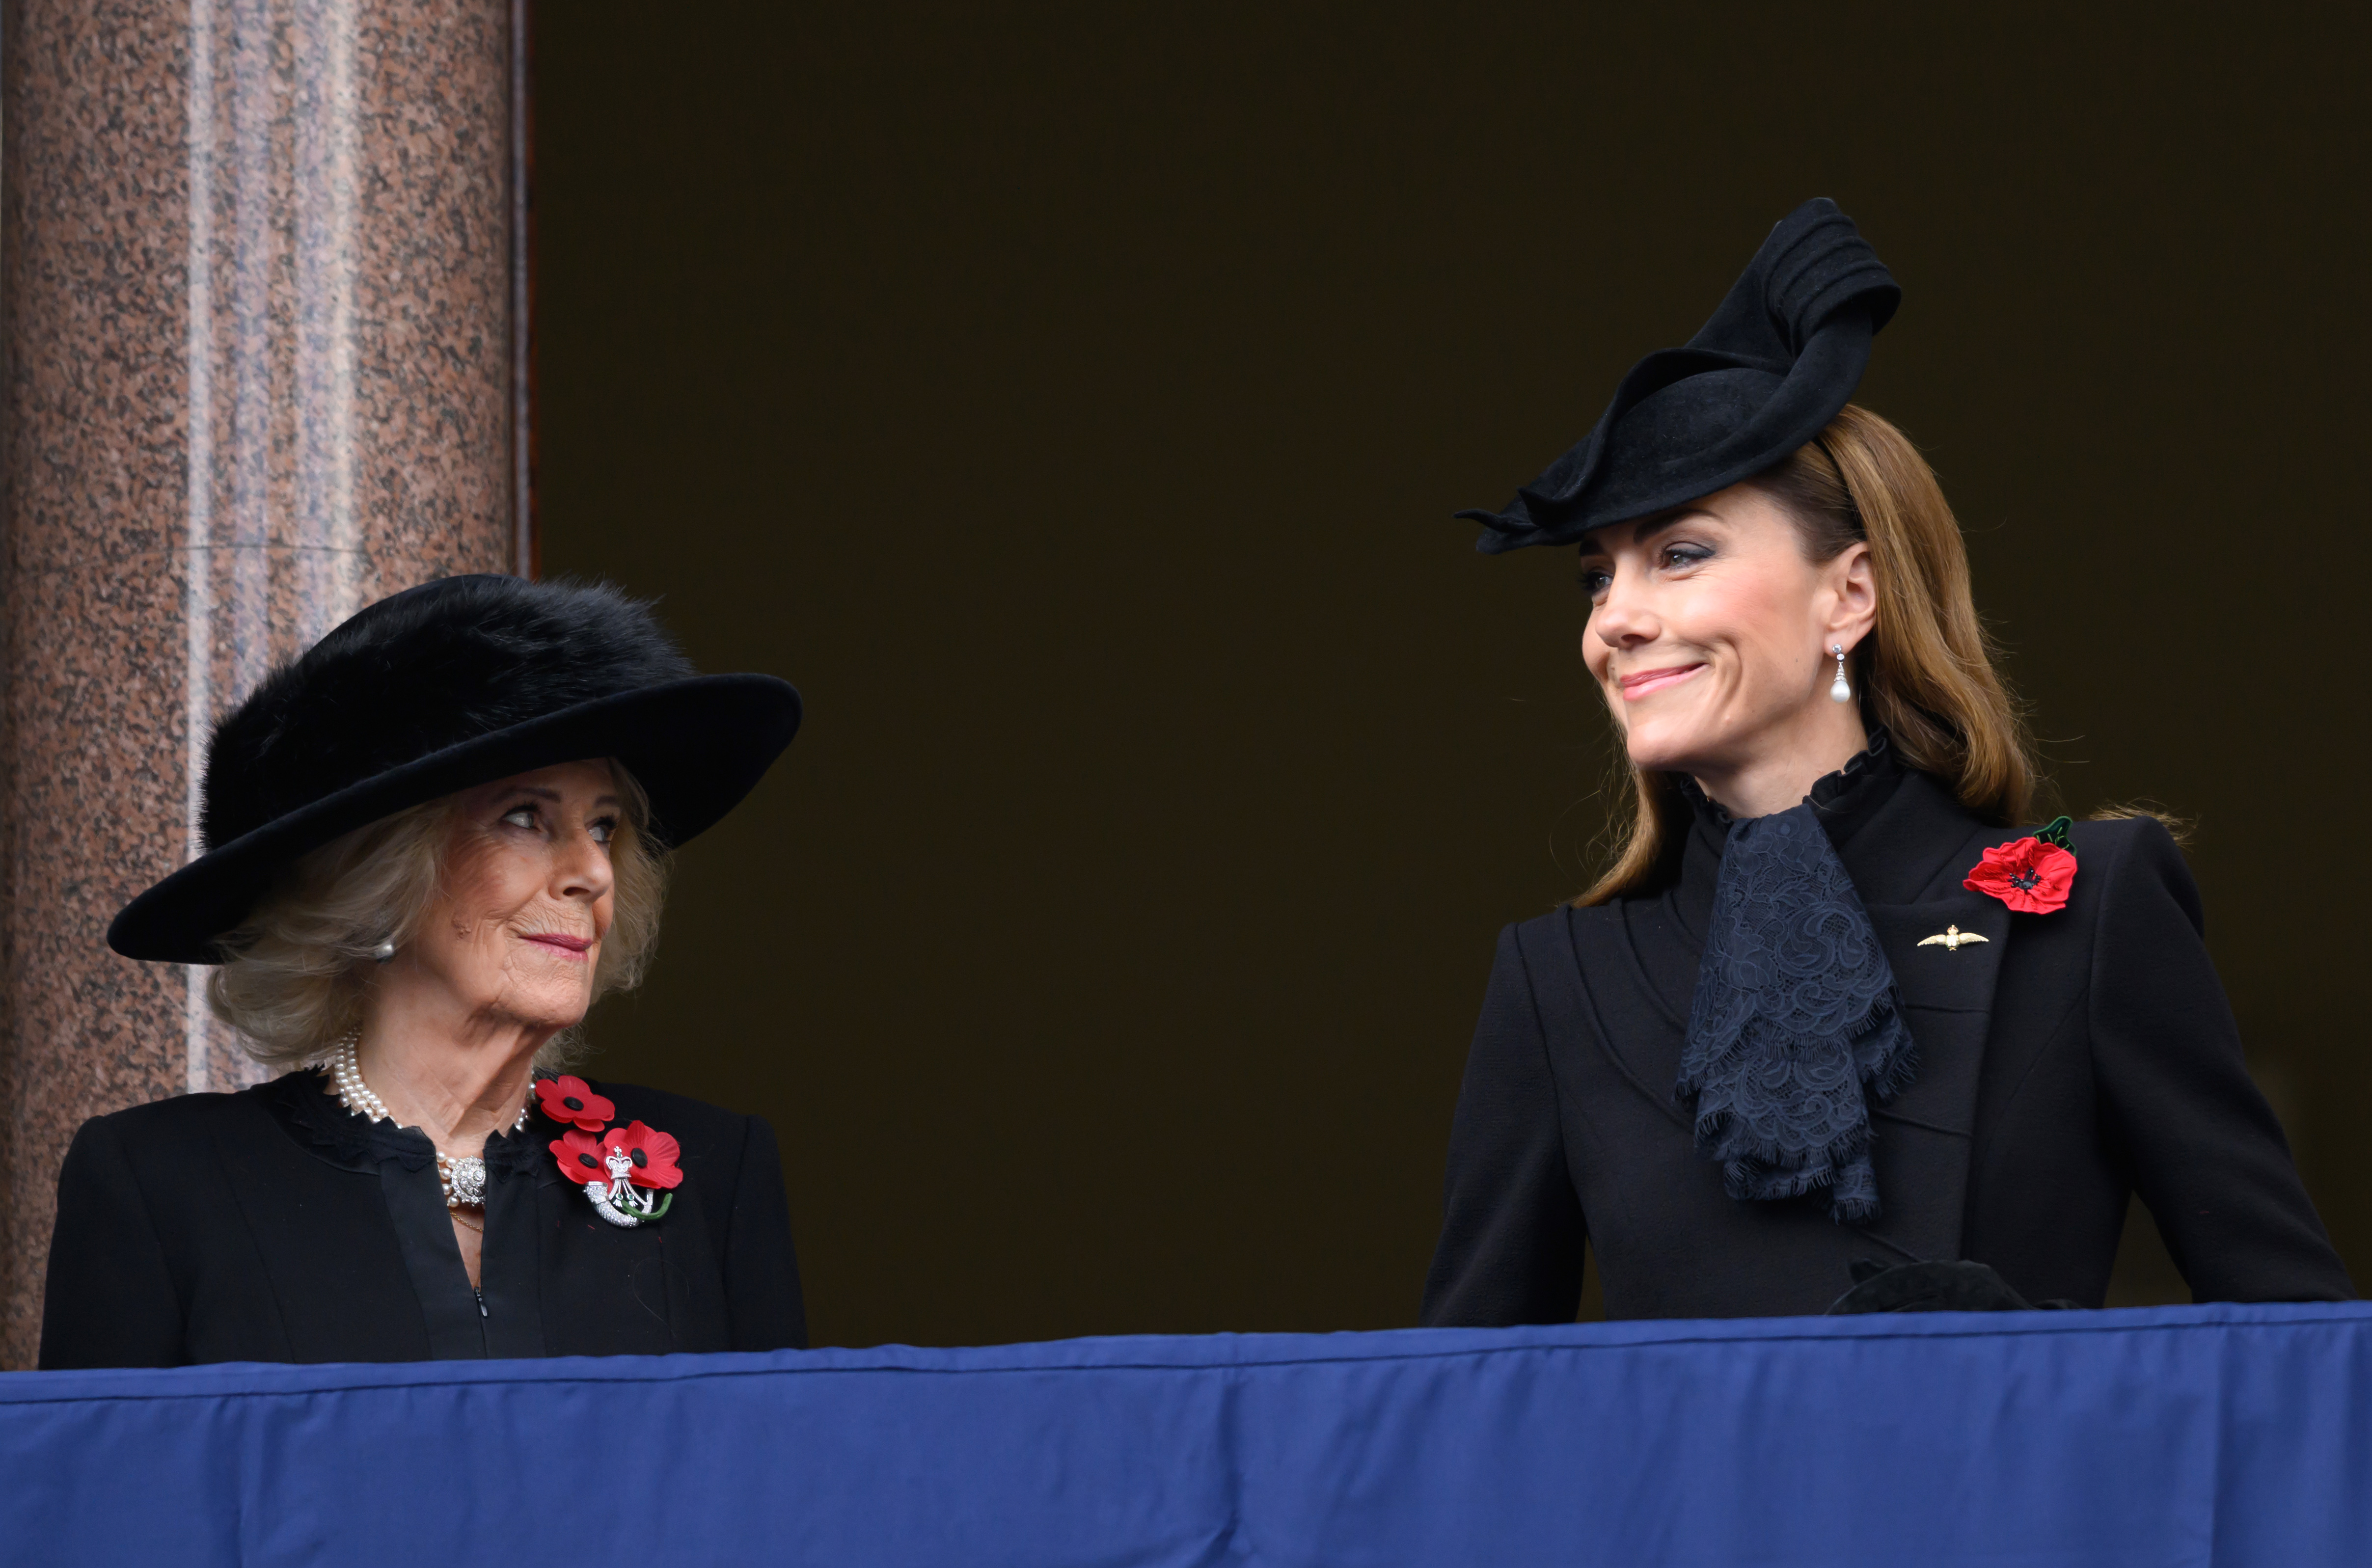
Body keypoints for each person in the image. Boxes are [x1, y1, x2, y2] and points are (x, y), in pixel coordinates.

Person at [1420, 199, 2351, 1323]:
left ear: (1849, 595)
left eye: (1679, 553)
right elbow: (1470, 1392)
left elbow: (2296, 1344)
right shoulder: (1556, 979)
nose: (1613, 618)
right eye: (1595, 577)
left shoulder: (2092, 908)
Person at [41, 574, 809, 1366]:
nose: (593, 872)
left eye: (603, 826)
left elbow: (784, 1448)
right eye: (526, 817)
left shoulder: (712, 1175)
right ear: (379, 879)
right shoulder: (164, 1184)